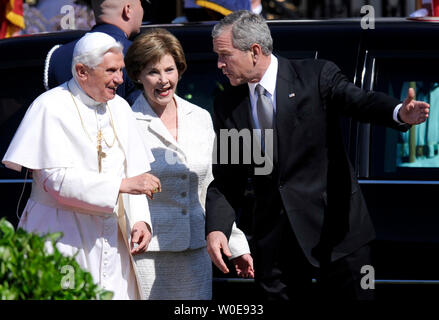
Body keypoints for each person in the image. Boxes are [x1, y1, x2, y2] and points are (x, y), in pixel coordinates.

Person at [205, 10, 430, 300]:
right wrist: (217, 229)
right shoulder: (230, 103)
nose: (219, 64)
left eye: (224, 55)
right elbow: (230, 177)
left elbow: (359, 102)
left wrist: (398, 112)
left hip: (336, 236)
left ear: (255, 51)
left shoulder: (314, 77)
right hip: (276, 248)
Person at [2, 32, 161, 300]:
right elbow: (55, 181)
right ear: (82, 71)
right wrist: (120, 186)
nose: (120, 79)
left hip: (112, 238)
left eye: (121, 70)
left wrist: (141, 220)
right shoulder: (50, 107)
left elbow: (133, 171)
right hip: (61, 234)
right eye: (111, 71)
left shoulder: (120, 108)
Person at [124, 28, 254, 300]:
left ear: (180, 70)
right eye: (153, 72)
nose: (163, 80)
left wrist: (237, 245)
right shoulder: (125, 120)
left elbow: (212, 188)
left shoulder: (200, 117)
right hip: (146, 253)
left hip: (196, 252)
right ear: (137, 75)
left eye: (169, 70)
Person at [45, 0, 145, 105]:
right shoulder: (139, 53)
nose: (119, 79)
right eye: (141, 5)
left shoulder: (57, 55)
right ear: (127, 10)